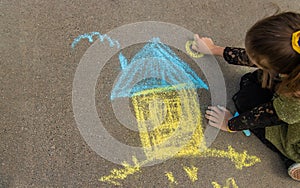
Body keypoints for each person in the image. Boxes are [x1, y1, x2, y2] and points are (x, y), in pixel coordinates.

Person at [192, 11, 300, 181]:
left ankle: (291, 159)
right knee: (253, 80)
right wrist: (214, 49)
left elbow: (266, 116)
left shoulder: (295, 101)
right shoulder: (292, 59)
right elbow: (260, 56)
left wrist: (230, 124)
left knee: (246, 99)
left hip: (294, 129)